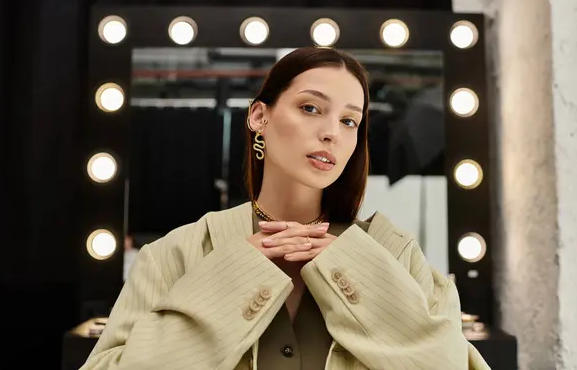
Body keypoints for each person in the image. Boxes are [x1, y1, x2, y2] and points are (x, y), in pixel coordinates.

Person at [80, 47, 490, 370]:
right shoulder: (175, 255)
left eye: (350, 121)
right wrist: (234, 276)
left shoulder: (397, 254)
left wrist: (358, 270)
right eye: (311, 108)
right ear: (260, 116)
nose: (331, 132)